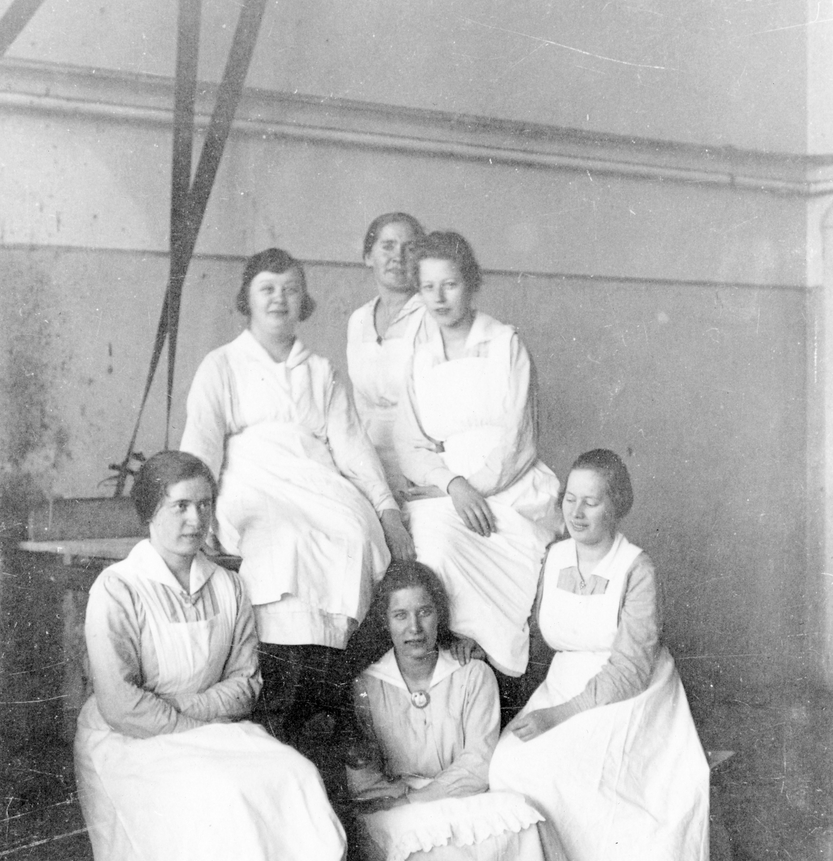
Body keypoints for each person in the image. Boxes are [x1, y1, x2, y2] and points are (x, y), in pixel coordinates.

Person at [73, 451, 352, 861]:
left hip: (211, 726)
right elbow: (121, 703)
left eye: (204, 505)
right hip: (129, 739)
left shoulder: (228, 585)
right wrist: (195, 717)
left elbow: (246, 684)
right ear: (149, 512)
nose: (195, 519)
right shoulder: (119, 587)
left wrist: (190, 711)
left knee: (293, 773)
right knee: (221, 792)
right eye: (180, 506)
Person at [180, 248, 414, 744]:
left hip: (316, 477)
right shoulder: (221, 365)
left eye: (290, 289)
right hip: (250, 478)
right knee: (282, 539)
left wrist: (387, 509)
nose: (279, 299)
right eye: (267, 289)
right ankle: (280, 703)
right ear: (247, 298)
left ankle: (325, 697)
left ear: (303, 300)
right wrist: (196, 516)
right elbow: (201, 447)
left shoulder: (320, 370)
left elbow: (352, 447)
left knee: (354, 533)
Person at [489, 449, 711, 861]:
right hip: (563, 683)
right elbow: (531, 630)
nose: (576, 512)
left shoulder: (636, 568)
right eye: (570, 499)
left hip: (630, 695)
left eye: (591, 502)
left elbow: (631, 667)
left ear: (617, 506)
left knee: (569, 769)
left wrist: (558, 716)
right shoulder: (553, 557)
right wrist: (482, 646)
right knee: (510, 763)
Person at [347, 561, 600, 861]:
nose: (414, 628)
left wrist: (420, 797)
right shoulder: (365, 687)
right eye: (401, 615)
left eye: (424, 612)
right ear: (385, 622)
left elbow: (478, 762)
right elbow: (363, 777)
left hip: (459, 792)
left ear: (440, 616)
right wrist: (400, 797)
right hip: (396, 802)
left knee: (524, 819)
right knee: (414, 843)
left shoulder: (472, 674)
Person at [394, 230, 562, 685]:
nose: (438, 298)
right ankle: (453, 665)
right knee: (431, 544)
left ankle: (494, 664)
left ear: (470, 283)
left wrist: (474, 488)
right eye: (428, 287)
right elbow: (410, 443)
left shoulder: (505, 343)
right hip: (449, 487)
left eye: (449, 284)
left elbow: (519, 437)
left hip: (510, 484)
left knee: (509, 553)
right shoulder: (419, 356)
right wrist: (453, 486)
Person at [346, 212, 426, 499]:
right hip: (368, 459)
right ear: (368, 256)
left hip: (419, 460)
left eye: (410, 248)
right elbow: (360, 406)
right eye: (388, 246)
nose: (398, 257)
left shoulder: (430, 315)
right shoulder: (358, 320)